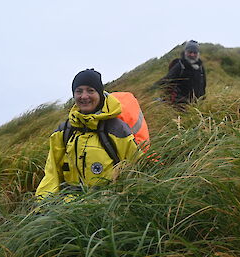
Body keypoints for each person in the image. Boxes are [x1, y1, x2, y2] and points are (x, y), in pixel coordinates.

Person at [36, 69, 139, 199]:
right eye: (79, 91)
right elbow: (51, 175)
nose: (84, 96)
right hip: (68, 211)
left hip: (108, 209)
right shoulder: (63, 131)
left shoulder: (117, 129)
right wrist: (41, 207)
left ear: (100, 94)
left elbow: (136, 171)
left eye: (90, 90)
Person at [152, 40, 206, 105]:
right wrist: (152, 88)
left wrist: (202, 100)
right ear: (185, 52)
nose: (192, 55)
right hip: (179, 104)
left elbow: (203, 86)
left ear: (198, 54)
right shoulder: (180, 66)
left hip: (195, 104)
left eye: (195, 53)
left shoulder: (200, 68)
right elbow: (167, 80)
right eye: (190, 52)